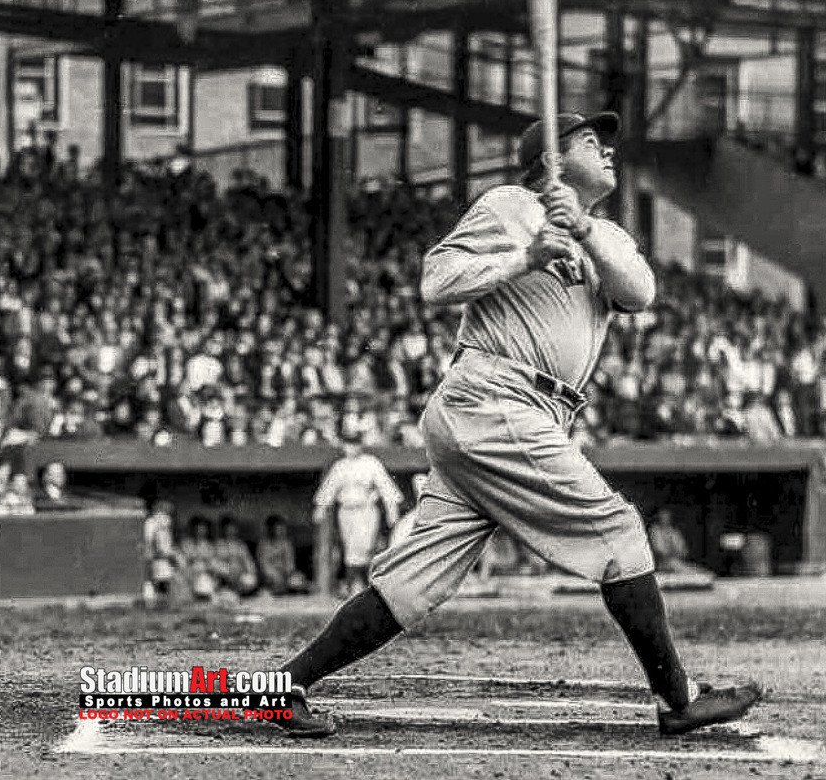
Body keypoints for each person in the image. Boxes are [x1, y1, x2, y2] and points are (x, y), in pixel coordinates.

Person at [269, 112, 762, 739]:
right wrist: (523, 257)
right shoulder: (510, 205)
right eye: (589, 140)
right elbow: (435, 279)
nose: (607, 148)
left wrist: (581, 228)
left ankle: (285, 687)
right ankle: (677, 699)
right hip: (498, 396)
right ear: (551, 160)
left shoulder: (603, 233)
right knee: (618, 531)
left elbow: (639, 292)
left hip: (525, 413)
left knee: (413, 582)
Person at [312, 431, 403, 596]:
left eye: (354, 443)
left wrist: (392, 511)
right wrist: (320, 509)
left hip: (366, 510)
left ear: (360, 445)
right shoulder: (340, 466)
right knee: (351, 551)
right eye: (348, 443)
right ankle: (353, 588)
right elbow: (328, 490)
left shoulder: (370, 463)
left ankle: (368, 587)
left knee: (367, 548)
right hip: (347, 511)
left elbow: (386, 488)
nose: (351, 447)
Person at [256, 515, 308, 595]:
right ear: (271, 529)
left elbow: (290, 563)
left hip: (285, 576)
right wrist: (275, 575)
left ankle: (285, 590)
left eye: (283, 528)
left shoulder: (287, 543)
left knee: (298, 581)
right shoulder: (263, 544)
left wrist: (286, 573)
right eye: (279, 528)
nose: (282, 531)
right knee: (271, 584)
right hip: (269, 577)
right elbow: (264, 565)